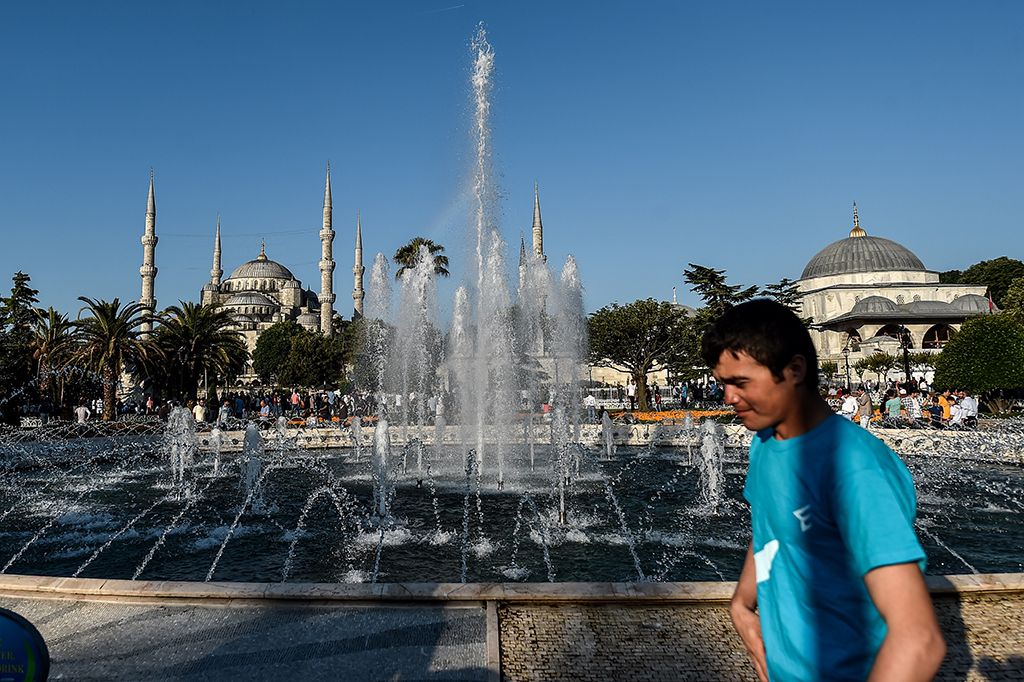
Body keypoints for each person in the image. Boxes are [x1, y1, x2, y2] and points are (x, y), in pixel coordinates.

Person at [701, 299, 944, 682]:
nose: (728, 398)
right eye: (723, 384)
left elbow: (918, 639)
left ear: (794, 369)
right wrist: (742, 603)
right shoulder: (765, 442)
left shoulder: (854, 468)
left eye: (741, 383)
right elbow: (772, 528)